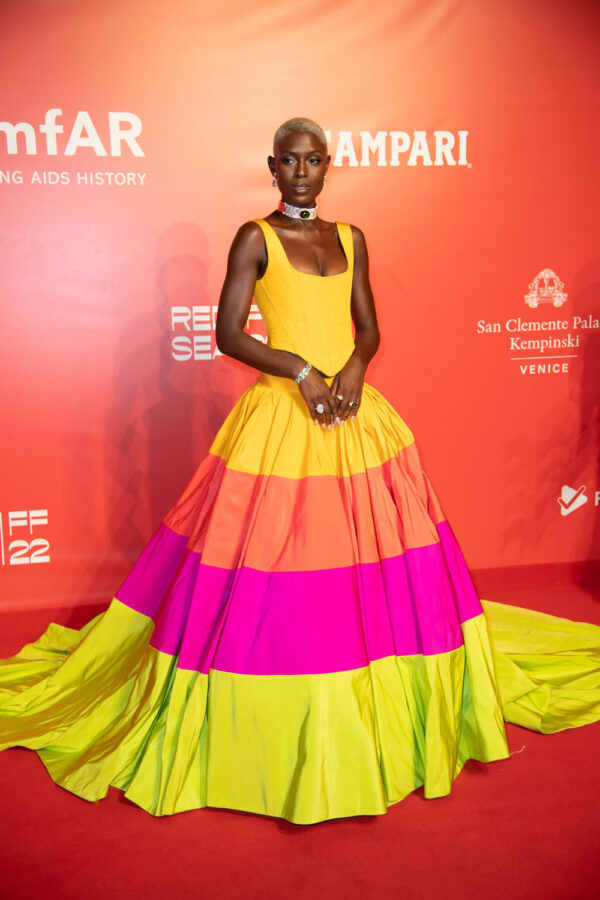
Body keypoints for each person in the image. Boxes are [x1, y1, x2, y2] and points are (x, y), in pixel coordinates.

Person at [0, 117, 599, 825]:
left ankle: (375, 680)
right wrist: (301, 370)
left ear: (327, 165)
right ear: (273, 166)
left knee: (372, 562)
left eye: (315, 160)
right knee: (285, 562)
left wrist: (351, 366)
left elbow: (369, 326)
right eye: (292, 160)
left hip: (354, 415)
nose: (304, 171)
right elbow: (228, 334)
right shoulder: (254, 236)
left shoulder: (352, 238)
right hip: (282, 417)